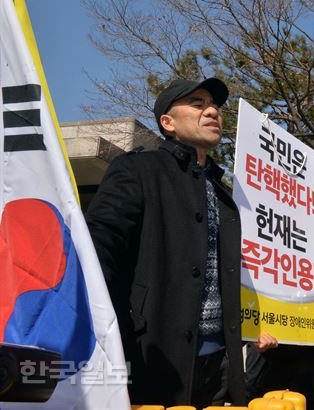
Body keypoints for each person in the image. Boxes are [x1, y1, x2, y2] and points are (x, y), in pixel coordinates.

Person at [85, 78, 246, 407]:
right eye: (198, 104)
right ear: (167, 123)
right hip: (153, 357)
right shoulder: (138, 169)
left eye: (215, 106)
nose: (212, 111)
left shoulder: (224, 194)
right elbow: (99, 252)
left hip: (220, 364)